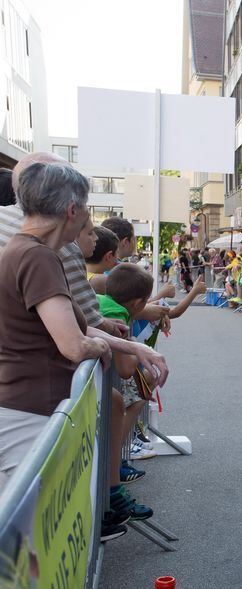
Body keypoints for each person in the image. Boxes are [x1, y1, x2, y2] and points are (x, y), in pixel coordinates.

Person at [0, 161, 168, 537]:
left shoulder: (27, 250)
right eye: (87, 210)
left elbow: (74, 325)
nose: (88, 221)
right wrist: (103, 347)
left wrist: (132, 347)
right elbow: (74, 343)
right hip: (31, 412)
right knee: (33, 541)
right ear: (71, 210)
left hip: (28, 407)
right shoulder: (38, 256)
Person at [97, 263, 160, 523]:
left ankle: (114, 479)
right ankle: (113, 493)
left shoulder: (102, 300)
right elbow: (125, 369)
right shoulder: (119, 313)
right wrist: (136, 348)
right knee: (133, 394)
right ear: (137, 303)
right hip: (105, 393)